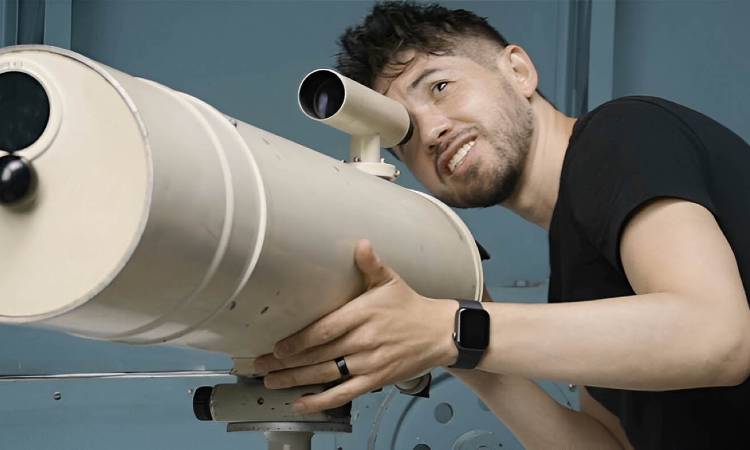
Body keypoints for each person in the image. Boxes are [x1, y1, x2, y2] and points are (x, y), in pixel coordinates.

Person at [252, 2, 750, 448]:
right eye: (405, 135)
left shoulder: (621, 135)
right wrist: (459, 350)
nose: (431, 131)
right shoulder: (578, 276)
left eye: (440, 87)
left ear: (518, 70)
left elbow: (717, 335)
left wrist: (454, 328)